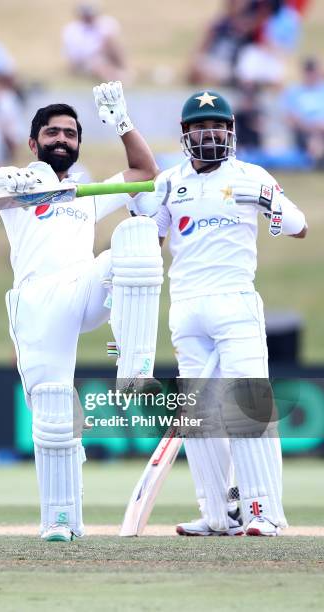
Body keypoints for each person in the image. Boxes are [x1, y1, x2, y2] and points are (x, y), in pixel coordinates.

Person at [0, 82, 162, 542]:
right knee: (54, 415)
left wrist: (121, 120)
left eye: (70, 133)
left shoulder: (83, 191)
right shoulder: (18, 178)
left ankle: (134, 365)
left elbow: (143, 170)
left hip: (83, 288)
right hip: (38, 303)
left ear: (77, 143)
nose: (61, 139)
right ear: (34, 142)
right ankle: (60, 520)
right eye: (52, 133)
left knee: (135, 239)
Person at [132, 90, 307, 537]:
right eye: (199, 127)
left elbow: (298, 226)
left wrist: (270, 199)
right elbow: (149, 244)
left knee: (248, 406)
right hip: (186, 306)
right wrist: (139, 210)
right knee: (202, 415)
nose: (209, 135)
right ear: (186, 134)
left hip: (235, 300)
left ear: (231, 132)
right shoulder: (169, 182)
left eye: (218, 127)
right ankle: (216, 513)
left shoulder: (252, 175)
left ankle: (262, 511)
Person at [62, 2, 128, 83]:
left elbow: (113, 41)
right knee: (96, 63)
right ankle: (115, 78)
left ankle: (123, 71)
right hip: (84, 61)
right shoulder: (72, 30)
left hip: (104, 55)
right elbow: (76, 54)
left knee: (111, 44)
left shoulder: (106, 23)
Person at [281, 57, 324, 168]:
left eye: (312, 71)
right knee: (314, 139)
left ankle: (316, 158)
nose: (310, 75)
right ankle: (317, 158)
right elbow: (289, 116)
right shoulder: (293, 91)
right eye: (308, 72)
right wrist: (309, 126)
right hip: (303, 131)